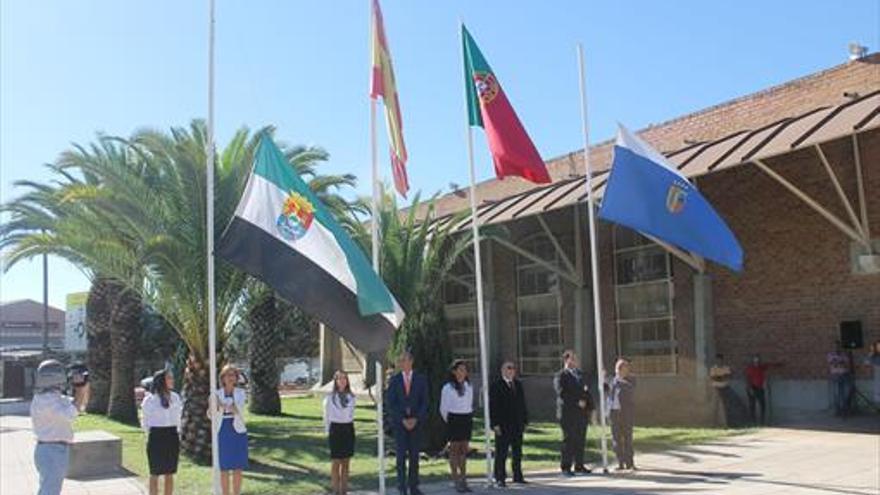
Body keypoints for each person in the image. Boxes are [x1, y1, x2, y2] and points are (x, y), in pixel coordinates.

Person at [31, 359, 90, 495]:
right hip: (52, 450)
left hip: (53, 449)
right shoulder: (46, 401)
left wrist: (83, 385)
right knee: (50, 491)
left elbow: (80, 404)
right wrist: (79, 389)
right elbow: (72, 413)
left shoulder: (50, 397)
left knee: (48, 489)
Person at [387, 350, 428, 495]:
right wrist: (402, 419)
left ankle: (414, 486)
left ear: (411, 361)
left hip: (416, 424)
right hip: (400, 425)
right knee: (400, 457)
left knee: (414, 456)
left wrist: (416, 419)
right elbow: (391, 404)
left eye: (405, 360)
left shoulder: (421, 379)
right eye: (400, 360)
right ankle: (401, 486)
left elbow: (425, 402)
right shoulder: (395, 380)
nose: (402, 363)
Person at [141, 369, 183, 495]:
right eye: (169, 378)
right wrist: (151, 436)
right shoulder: (150, 400)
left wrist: (178, 434)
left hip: (172, 436)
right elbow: (145, 421)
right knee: (155, 473)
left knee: (169, 473)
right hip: (156, 437)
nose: (172, 380)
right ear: (161, 381)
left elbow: (179, 418)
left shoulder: (175, 397)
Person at [489, 360, 528, 487]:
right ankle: (500, 477)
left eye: (513, 368)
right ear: (503, 370)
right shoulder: (496, 385)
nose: (511, 371)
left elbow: (522, 404)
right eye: (508, 368)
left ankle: (517, 475)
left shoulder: (518, 384)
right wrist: (494, 424)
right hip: (503, 425)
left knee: (517, 451)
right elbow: (493, 406)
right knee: (502, 452)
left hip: (517, 424)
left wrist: (525, 420)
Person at [554, 350, 592, 476]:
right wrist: (577, 401)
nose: (575, 361)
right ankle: (566, 467)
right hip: (568, 414)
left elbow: (587, 391)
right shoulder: (561, 375)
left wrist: (589, 405)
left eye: (576, 359)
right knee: (569, 440)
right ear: (566, 360)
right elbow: (562, 393)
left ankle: (579, 465)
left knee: (580, 439)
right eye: (572, 359)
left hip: (581, 413)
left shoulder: (581, 375)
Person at [212, 364, 248, 495]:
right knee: (224, 468)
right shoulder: (215, 393)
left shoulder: (241, 393)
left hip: (238, 431)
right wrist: (215, 406)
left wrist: (222, 405)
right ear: (222, 378)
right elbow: (210, 414)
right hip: (222, 431)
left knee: (238, 468)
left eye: (233, 375)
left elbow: (238, 410)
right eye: (227, 375)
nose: (230, 378)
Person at [439, 359, 474, 493]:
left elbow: (469, 404)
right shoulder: (448, 388)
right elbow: (443, 408)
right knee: (454, 451)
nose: (462, 373)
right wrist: (450, 421)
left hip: (466, 419)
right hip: (454, 419)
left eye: (464, 370)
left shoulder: (468, 386)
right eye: (460, 370)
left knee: (464, 451)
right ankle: (456, 480)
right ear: (454, 372)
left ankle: (464, 479)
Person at [323, 370, 356, 495]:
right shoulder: (330, 398)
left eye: (344, 378)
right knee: (336, 462)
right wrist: (328, 432)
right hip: (335, 430)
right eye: (339, 378)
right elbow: (326, 417)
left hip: (348, 429)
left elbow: (351, 415)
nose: (342, 381)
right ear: (335, 381)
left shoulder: (351, 397)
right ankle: (336, 491)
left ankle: (344, 492)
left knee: (346, 463)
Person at [609, 358, 636, 471]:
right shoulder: (611, 381)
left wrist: (619, 380)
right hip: (614, 413)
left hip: (626, 414)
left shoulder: (630, 380)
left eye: (625, 368)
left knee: (628, 439)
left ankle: (629, 463)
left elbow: (631, 389)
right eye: (620, 368)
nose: (624, 370)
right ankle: (620, 462)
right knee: (616, 439)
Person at [745, 354, 781, 425]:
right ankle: (753, 421)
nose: (756, 362)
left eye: (758, 360)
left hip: (760, 388)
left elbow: (770, 365)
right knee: (752, 405)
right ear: (753, 361)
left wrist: (778, 364)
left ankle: (762, 421)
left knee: (762, 405)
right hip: (752, 388)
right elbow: (747, 379)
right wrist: (750, 388)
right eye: (755, 360)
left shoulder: (761, 367)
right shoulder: (750, 368)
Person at [827, 341, 853, 417]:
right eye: (835, 346)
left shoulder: (844, 354)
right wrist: (840, 362)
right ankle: (838, 411)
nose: (837, 348)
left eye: (838, 346)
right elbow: (833, 364)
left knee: (846, 393)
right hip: (836, 376)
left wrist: (839, 362)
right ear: (833, 347)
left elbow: (847, 364)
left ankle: (845, 410)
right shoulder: (830, 354)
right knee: (837, 394)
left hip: (845, 375)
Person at [863, 340, 880, 405]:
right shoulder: (873, 356)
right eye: (878, 346)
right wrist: (871, 352)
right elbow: (866, 363)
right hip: (878, 379)